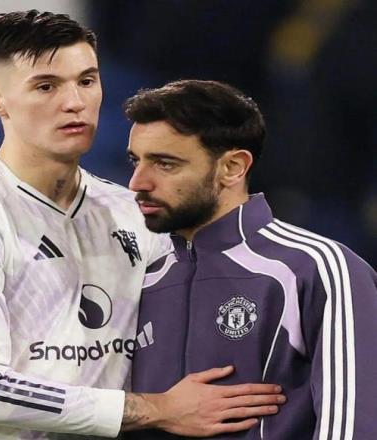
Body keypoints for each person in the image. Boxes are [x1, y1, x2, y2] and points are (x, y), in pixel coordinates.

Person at [0, 11, 286, 440]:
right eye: (46, 86)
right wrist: (156, 409)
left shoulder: (132, 212)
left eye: (87, 81)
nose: (74, 102)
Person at [123, 79, 377, 439]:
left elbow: (353, 426)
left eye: (165, 164)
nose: (137, 182)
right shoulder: (129, 273)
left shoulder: (317, 268)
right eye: (135, 160)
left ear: (233, 167)